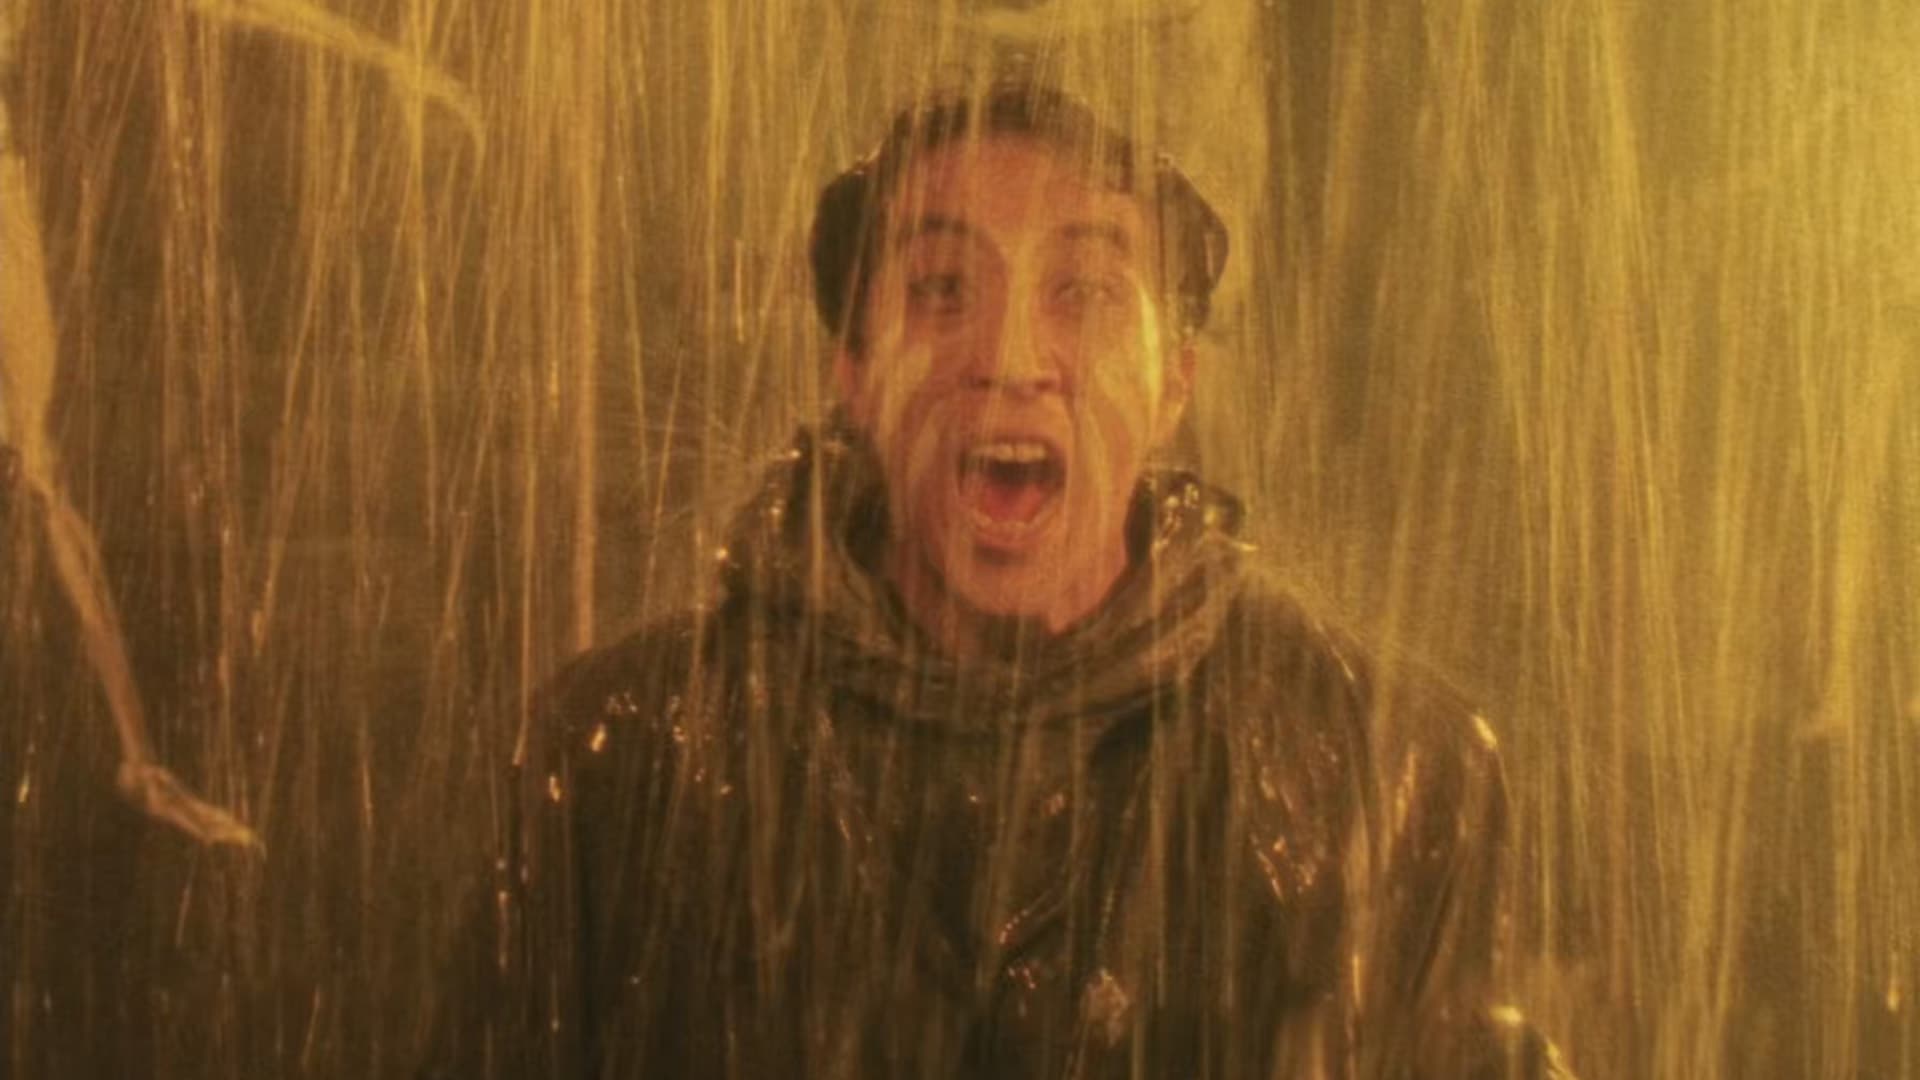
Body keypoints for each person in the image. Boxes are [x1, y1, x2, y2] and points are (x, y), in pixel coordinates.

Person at [423, 78, 1572, 1078]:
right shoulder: (627, 758)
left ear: (1173, 380)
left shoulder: (1384, 770)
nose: (1012, 361)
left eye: (1085, 290)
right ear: (854, 372)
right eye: (941, 289)